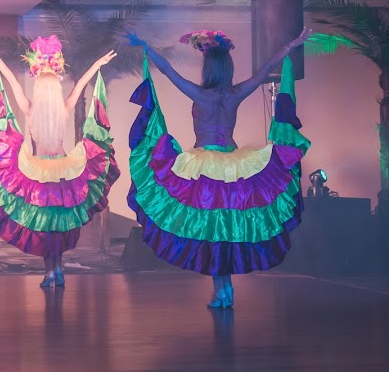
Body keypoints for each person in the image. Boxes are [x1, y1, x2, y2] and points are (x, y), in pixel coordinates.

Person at [127, 27, 312, 308]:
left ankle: (221, 289)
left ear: (208, 68)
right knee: (227, 227)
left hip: (204, 166)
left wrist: (146, 46)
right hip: (235, 167)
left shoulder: (200, 95)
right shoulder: (236, 93)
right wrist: (289, 47)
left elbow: (167, 71)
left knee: (214, 229)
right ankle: (224, 287)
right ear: (228, 68)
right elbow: (266, 70)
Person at [0, 37, 119, 288]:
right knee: (59, 224)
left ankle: (50, 272)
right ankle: (58, 269)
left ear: (38, 89)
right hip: (65, 171)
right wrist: (97, 64)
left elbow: (13, 84)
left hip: (39, 172)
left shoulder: (30, 109)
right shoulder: (64, 108)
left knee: (45, 226)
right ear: (56, 90)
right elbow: (81, 83)